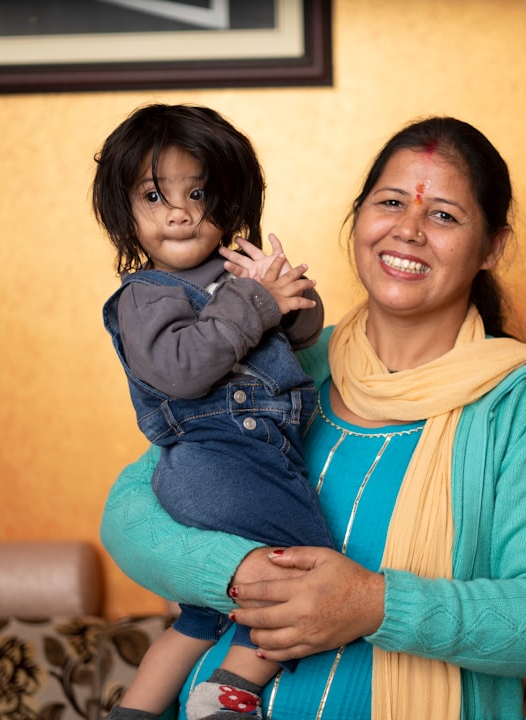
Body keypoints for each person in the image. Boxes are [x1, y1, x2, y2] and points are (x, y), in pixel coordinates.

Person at [100, 115, 526, 720]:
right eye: (390, 202)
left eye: (443, 215)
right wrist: (241, 574)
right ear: (359, 217)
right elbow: (129, 514)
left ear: (492, 247)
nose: (409, 230)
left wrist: (374, 604)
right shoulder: (284, 361)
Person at [93, 103, 334, 720]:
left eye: (197, 192)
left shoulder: (235, 275)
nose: (177, 210)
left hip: (236, 465)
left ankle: (137, 709)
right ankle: (227, 696)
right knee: (308, 574)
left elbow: (302, 337)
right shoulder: (143, 297)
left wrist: (286, 292)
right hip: (221, 463)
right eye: (153, 195)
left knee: (200, 615)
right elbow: (181, 367)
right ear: (126, 212)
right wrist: (254, 301)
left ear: (230, 202)